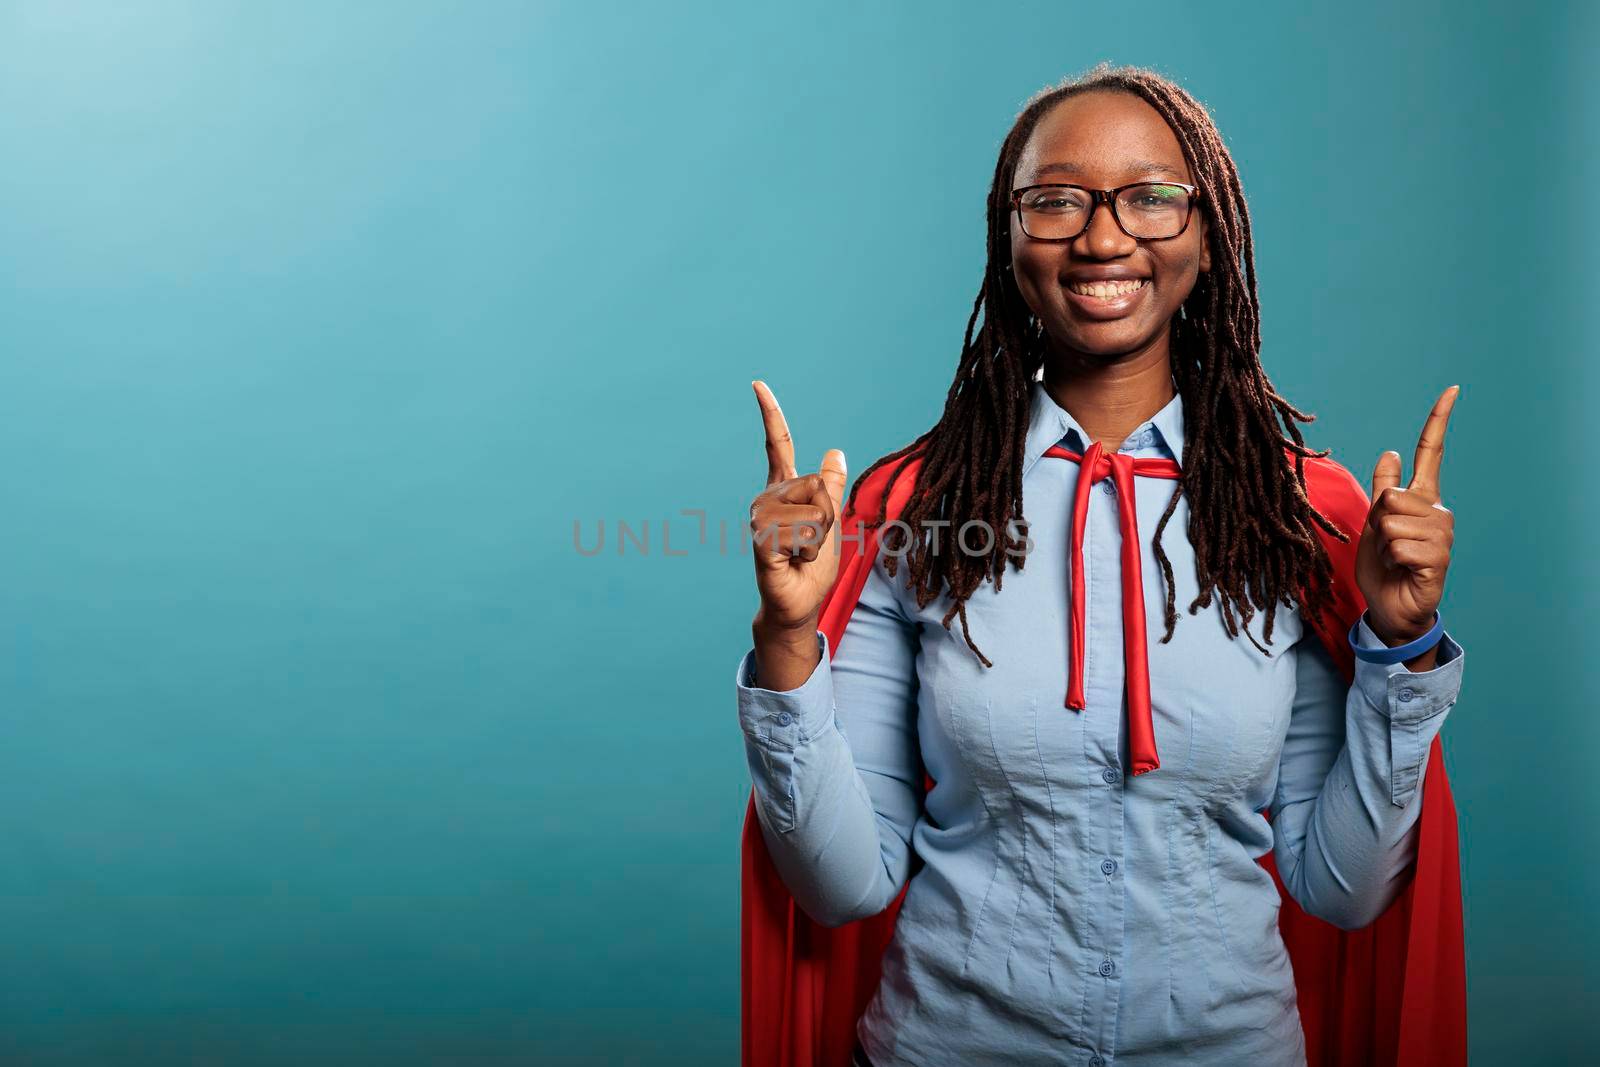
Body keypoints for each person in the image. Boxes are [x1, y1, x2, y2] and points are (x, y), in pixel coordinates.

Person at [735, 63, 1464, 1066]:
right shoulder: (911, 512)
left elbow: (1340, 887)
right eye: (1056, 200)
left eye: (1152, 197)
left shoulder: (1300, 515)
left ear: (1209, 238)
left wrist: (1398, 645)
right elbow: (841, 885)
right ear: (1007, 234)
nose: (1103, 236)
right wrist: (785, 640)